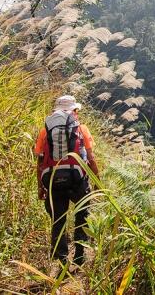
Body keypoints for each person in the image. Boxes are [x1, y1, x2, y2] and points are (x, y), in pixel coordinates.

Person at [34, 95, 100, 268]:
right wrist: (96, 181)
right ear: (75, 111)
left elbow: (40, 162)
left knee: (58, 219)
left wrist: (40, 186)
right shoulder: (81, 129)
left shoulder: (45, 131)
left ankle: (62, 260)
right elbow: (91, 158)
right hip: (78, 179)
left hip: (52, 179)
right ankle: (79, 255)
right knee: (82, 215)